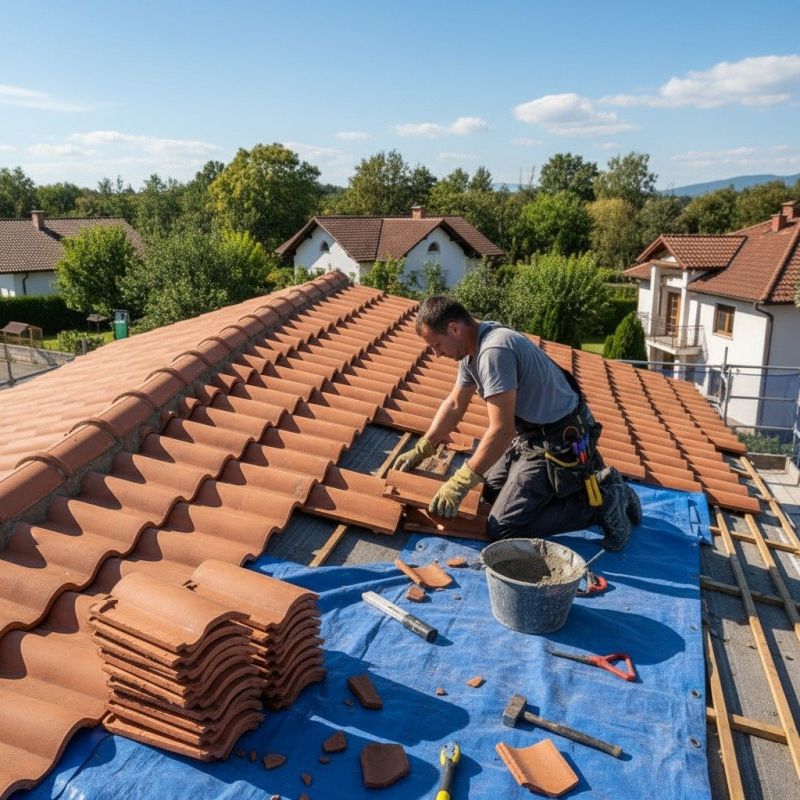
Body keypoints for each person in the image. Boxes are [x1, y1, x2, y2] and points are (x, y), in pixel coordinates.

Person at [394, 296, 641, 549]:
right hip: (532, 436)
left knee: (502, 526)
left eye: (436, 345)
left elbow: (501, 430)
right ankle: (583, 488)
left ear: (454, 329)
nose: (436, 354)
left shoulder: (493, 352)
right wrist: (423, 447)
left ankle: (602, 502)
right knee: (490, 491)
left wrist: (460, 482)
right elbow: (455, 404)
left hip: (558, 442)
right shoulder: (471, 349)